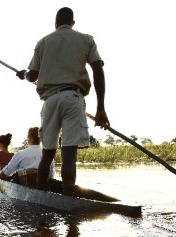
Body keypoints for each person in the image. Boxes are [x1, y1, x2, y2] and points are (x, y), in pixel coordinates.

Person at [16, 7, 109, 195]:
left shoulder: (43, 42)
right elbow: (98, 71)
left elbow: (32, 75)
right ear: (73, 23)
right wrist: (100, 108)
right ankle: (68, 197)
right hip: (74, 98)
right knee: (69, 154)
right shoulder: (86, 39)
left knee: (48, 153)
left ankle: (40, 196)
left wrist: (23, 74)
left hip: (50, 101)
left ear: (55, 23)